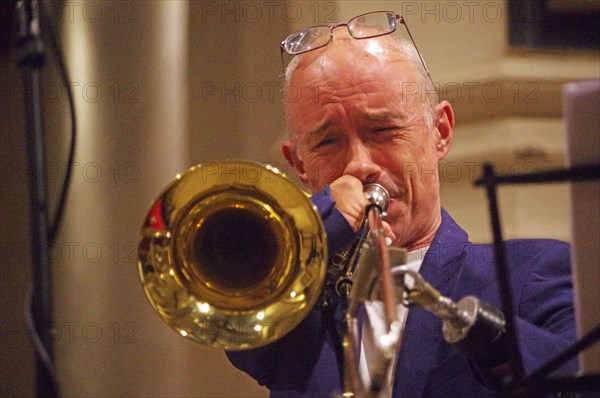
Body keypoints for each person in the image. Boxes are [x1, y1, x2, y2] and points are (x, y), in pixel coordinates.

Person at [227, 11, 577, 397]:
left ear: (440, 132)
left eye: (383, 130)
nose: (360, 164)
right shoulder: (295, 308)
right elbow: (235, 317)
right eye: (328, 142)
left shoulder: (530, 275)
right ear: (299, 166)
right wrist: (322, 224)